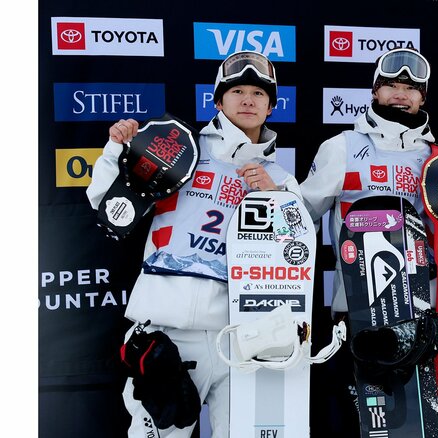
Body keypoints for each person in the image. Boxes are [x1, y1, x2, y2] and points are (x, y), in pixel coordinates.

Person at [86, 50, 300, 438]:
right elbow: (108, 204)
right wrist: (117, 150)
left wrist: (279, 201)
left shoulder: (281, 179)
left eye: (258, 93)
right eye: (237, 91)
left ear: (271, 106)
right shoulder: (178, 150)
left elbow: (296, 257)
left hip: (243, 341)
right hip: (169, 333)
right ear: (218, 101)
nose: (248, 100)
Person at [299, 47, 437, 436]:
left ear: (423, 97)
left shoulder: (437, 157)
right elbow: (299, 214)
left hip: (418, 317)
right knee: (358, 427)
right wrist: (272, 194)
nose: (400, 93)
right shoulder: (341, 147)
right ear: (374, 92)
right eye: (391, 85)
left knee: (413, 429)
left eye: (410, 87)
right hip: (356, 315)